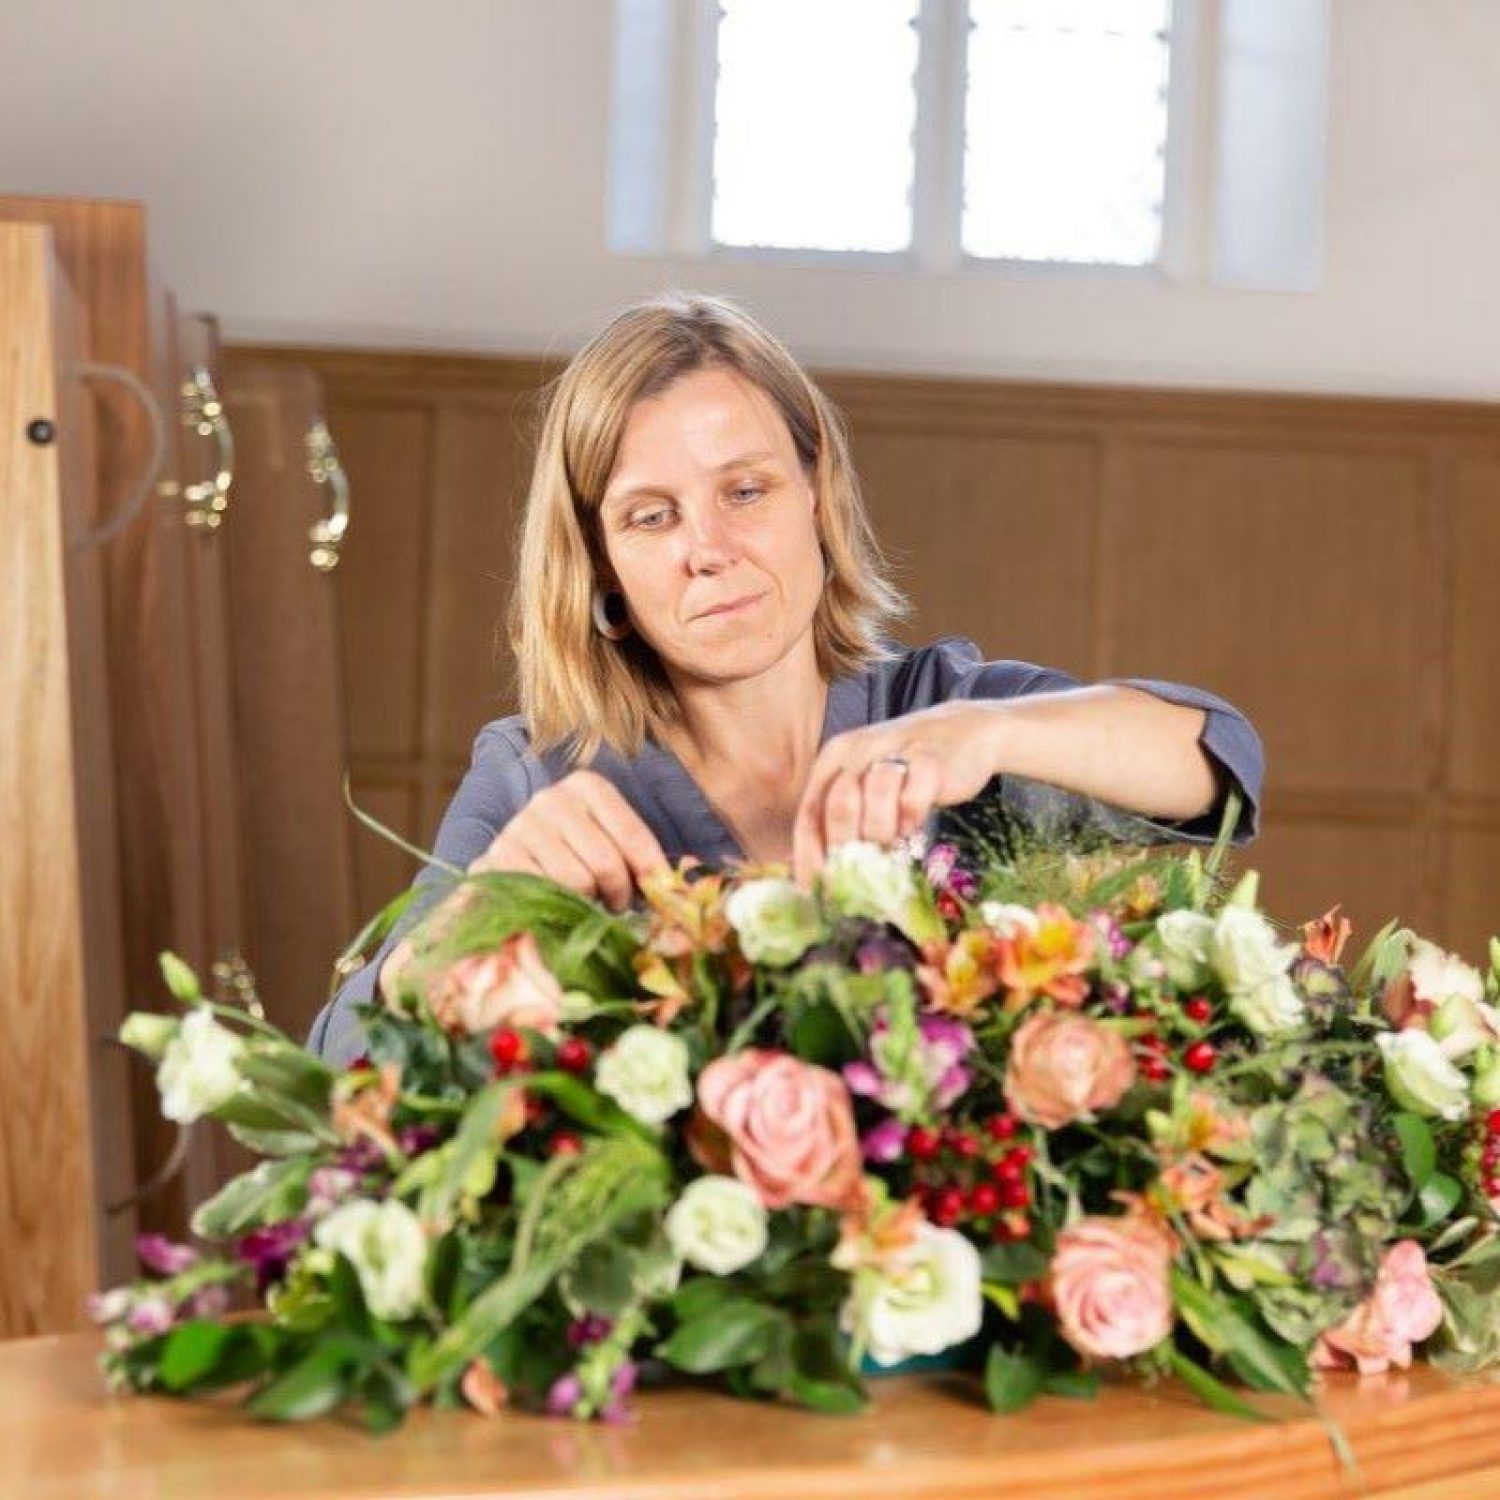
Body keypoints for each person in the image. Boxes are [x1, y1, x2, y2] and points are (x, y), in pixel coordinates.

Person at [309, 292, 1263, 1066]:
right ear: (600, 562)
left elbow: (1218, 760)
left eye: (746, 491)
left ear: (817, 491)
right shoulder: (537, 772)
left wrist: (992, 734)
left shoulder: (939, 711)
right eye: (650, 518)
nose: (708, 551)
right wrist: (480, 908)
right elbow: (338, 1060)